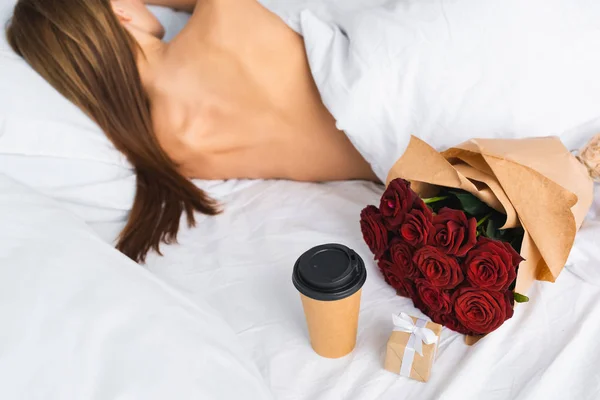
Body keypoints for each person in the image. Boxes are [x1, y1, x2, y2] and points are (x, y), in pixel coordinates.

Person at [6, 0, 377, 262]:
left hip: (410, 165)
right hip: (416, 96)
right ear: (119, 13)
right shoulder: (223, 12)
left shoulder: (171, 149)